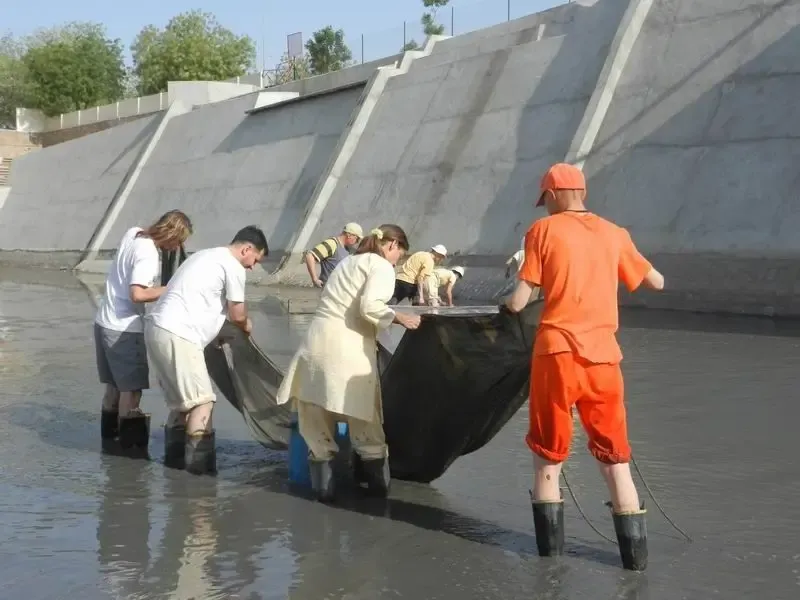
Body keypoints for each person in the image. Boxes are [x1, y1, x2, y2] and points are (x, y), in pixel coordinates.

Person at [503, 163, 665, 572]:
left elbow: (520, 301)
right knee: (615, 455)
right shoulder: (616, 233)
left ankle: (549, 566)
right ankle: (635, 561)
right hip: (604, 358)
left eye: (545, 201)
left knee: (548, 452)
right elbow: (657, 282)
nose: (545, 208)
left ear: (555, 195)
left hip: (557, 352)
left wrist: (507, 299)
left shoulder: (543, 232)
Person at [277, 224, 421, 503]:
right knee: (367, 428)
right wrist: (401, 317)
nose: (397, 261)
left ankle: (323, 503)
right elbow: (371, 307)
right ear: (391, 245)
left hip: (314, 350)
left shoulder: (347, 263)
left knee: (317, 434)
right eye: (399, 255)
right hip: (347, 353)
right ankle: (379, 504)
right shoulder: (380, 266)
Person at [144, 225, 269, 475]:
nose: (252, 267)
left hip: (156, 330)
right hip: (180, 335)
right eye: (254, 260)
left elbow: (200, 302)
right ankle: (198, 481)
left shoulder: (203, 256)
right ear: (246, 249)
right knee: (203, 403)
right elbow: (237, 314)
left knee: (182, 405)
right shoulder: (233, 266)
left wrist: (217, 333)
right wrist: (246, 325)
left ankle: (174, 470)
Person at [95, 210, 193, 454]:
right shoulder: (149, 253)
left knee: (113, 389)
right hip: (125, 329)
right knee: (132, 392)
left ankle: (108, 445)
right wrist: (173, 287)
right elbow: (138, 294)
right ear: (171, 233)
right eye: (179, 240)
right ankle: (130, 457)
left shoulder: (134, 234)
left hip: (103, 322)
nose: (177, 246)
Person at [304, 222, 363, 288]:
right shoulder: (332, 244)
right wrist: (315, 279)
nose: (357, 242)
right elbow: (310, 256)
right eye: (357, 239)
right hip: (329, 289)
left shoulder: (347, 248)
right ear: (349, 235)